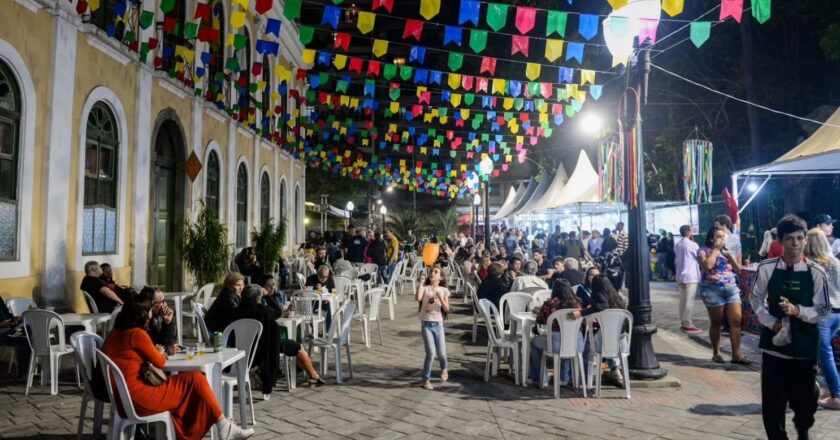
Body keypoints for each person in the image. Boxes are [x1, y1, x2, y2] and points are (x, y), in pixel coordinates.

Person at [102, 295, 254, 440]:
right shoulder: (136, 334)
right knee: (196, 379)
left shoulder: (114, 334)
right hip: (140, 398)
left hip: (122, 399)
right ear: (142, 314)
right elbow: (160, 362)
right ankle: (222, 426)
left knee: (191, 380)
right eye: (149, 310)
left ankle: (222, 426)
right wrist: (160, 352)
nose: (151, 313)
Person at [751, 214, 830, 439]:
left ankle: (806, 413)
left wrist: (799, 311)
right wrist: (770, 322)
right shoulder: (766, 268)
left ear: (805, 240)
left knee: (804, 404)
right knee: (772, 406)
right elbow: (755, 298)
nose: (795, 244)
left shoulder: (816, 272)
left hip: (805, 347)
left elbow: (823, 309)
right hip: (774, 347)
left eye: (799, 238)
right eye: (789, 239)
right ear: (781, 241)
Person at [232, 285, 326, 400]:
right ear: (258, 298)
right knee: (298, 346)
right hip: (266, 348)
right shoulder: (263, 310)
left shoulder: (235, 311)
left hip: (242, 349)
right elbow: (278, 312)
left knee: (288, 344)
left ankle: (307, 372)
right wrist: (267, 296)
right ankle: (313, 375)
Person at [697, 227, 749, 364]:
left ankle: (736, 355)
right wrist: (715, 250)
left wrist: (731, 258)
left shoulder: (728, 251)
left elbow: (739, 271)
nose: (722, 239)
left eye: (723, 236)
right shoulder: (703, 251)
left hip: (731, 288)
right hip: (712, 289)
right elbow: (707, 266)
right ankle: (716, 353)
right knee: (716, 322)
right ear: (711, 238)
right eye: (719, 236)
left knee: (736, 321)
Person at [803, 228, 840, 410]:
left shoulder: (810, 265)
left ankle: (837, 395)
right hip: (837, 312)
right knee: (825, 352)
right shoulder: (835, 262)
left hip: (821, 314)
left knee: (825, 355)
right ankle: (828, 388)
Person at [569, 275, 629, 386]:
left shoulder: (599, 297)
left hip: (606, 344)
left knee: (586, 345)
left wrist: (581, 313)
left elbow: (601, 305)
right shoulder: (617, 298)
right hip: (622, 344)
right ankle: (615, 370)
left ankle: (586, 379)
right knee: (606, 336)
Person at [528, 279, 582, 387]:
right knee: (566, 348)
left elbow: (541, 320)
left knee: (534, 342)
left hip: (556, 343)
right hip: (576, 343)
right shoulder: (578, 303)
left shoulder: (550, 304)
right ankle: (564, 378)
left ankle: (541, 378)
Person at [416, 266, 451, 390]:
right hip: (426, 324)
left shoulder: (444, 290)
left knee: (442, 353)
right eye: (432, 271)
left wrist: (439, 297)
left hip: (438, 324)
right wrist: (420, 283)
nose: (433, 273)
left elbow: (447, 309)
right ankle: (426, 380)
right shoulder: (425, 288)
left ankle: (444, 368)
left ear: (440, 277)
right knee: (430, 352)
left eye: (436, 272)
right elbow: (418, 298)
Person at [674, 225, 702, 335]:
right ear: (689, 232)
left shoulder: (677, 244)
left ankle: (683, 322)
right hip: (690, 275)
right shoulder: (693, 245)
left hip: (680, 275)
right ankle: (687, 324)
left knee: (682, 300)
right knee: (689, 300)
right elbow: (699, 257)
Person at [139, 287, 179, 355]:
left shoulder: (158, 319)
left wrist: (168, 323)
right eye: (160, 302)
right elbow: (152, 347)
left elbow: (166, 344)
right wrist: (167, 349)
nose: (164, 305)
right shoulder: (141, 320)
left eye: (164, 301)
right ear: (149, 303)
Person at [0, 297, 30, 378]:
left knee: (28, 329)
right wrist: (10, 324)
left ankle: (31, 369)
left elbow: (8, 316)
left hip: (8, 328)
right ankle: (24, 372)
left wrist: (16, 319)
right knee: (24, 338)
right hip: (3, 331)